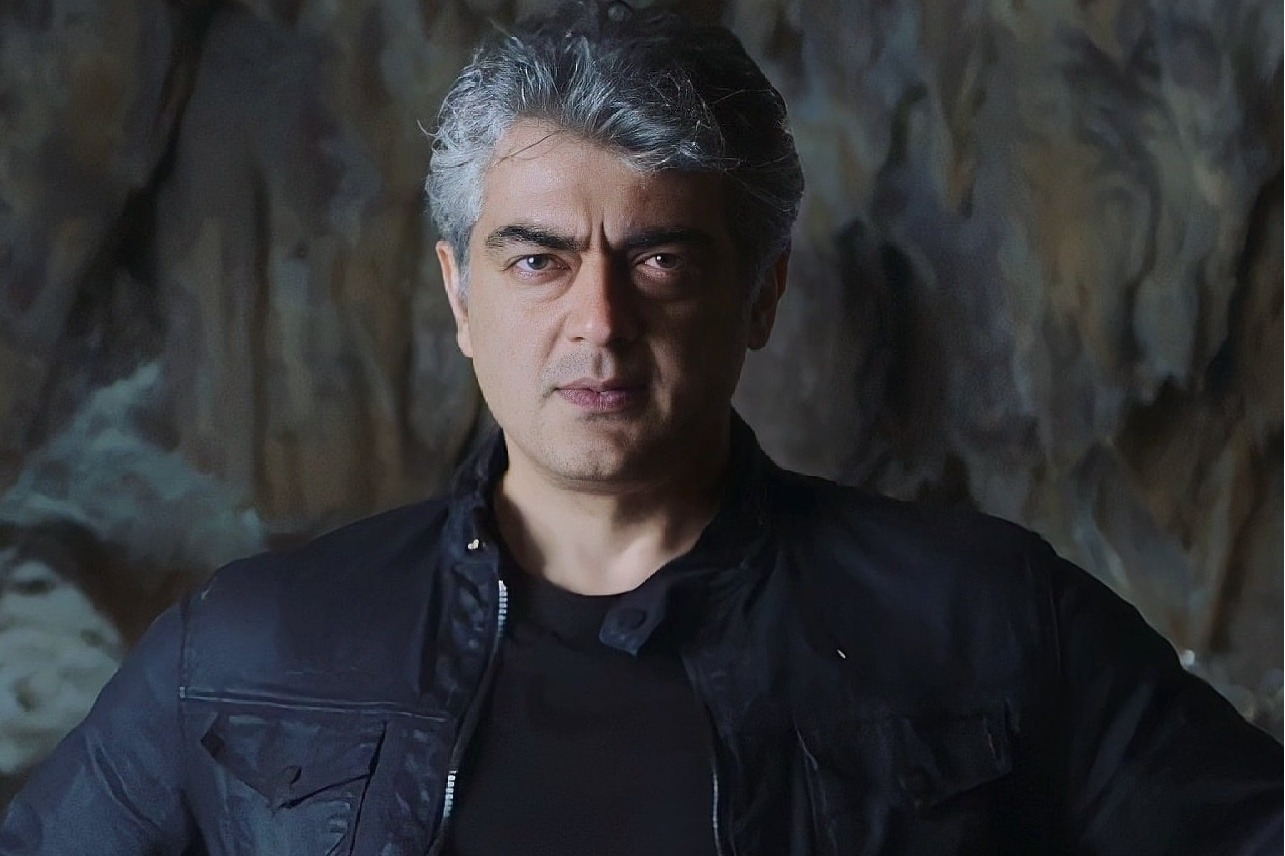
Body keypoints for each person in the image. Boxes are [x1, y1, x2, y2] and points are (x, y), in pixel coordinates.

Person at [1, 1, 1280, 853]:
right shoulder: (247, 649)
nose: (599, 323)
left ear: (760, 294)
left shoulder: (987, 622)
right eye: (539, 259)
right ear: (460, 296)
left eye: (659, 259)